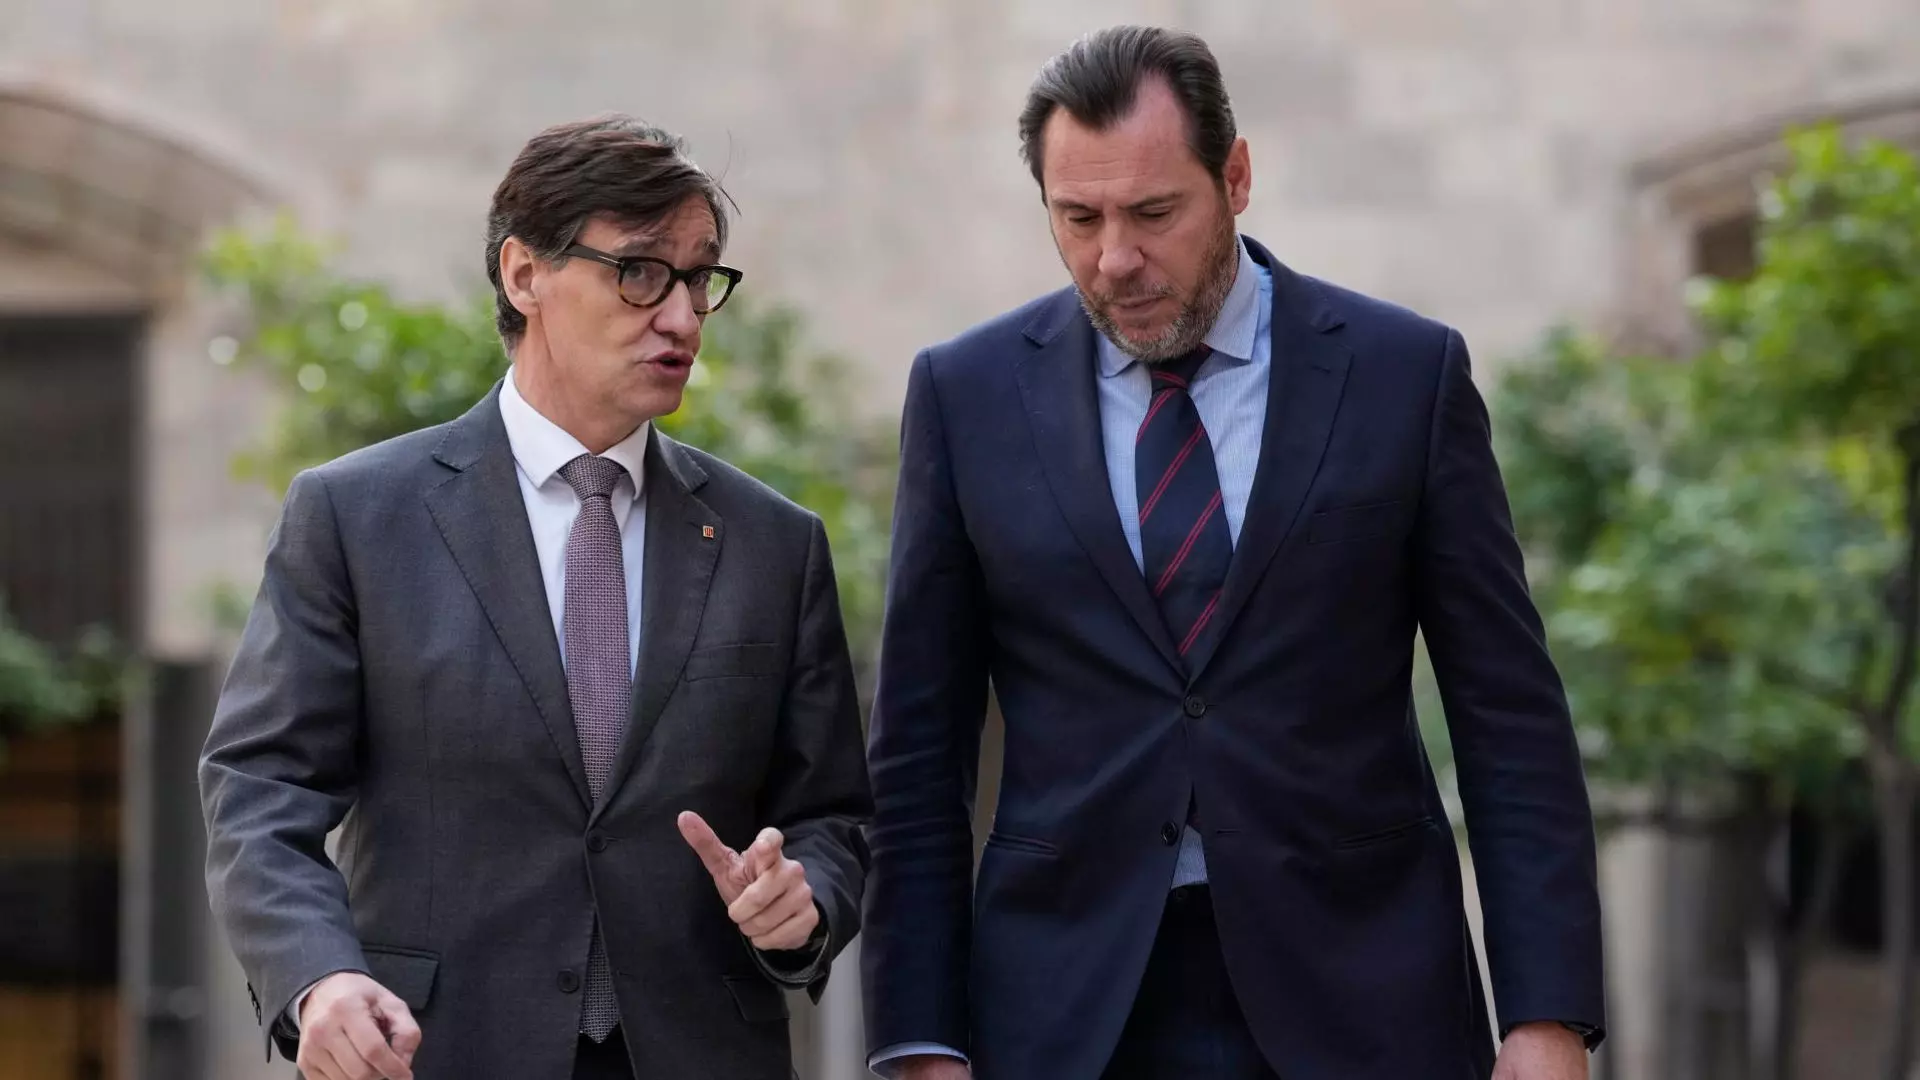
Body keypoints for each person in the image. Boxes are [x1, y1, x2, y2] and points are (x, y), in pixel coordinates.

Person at [861, 26, 1604, 1080]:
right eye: (1079, 219)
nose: (1116, 259)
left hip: (1367, 999)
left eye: (1154, 213)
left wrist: (1548, 1012)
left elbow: (1509, 715)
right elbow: (917, 750)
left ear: (1237, 177)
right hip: (1064, 1012)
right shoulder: (964, 396)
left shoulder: (1406, 375)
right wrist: (919, 1036)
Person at [199, 115, 871, 1080]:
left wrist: (805, 902)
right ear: (524, 274)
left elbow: (836, 815)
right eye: (640, 273)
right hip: (435, 1051)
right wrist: (320, 977)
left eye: (699, 280)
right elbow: (261, 790)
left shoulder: (775, 543)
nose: (682, 318)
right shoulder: (355, 516)